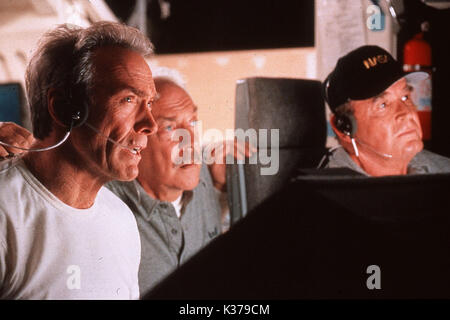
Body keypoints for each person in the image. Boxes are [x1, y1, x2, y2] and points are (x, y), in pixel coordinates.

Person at [0, 74, 252, 296]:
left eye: (194, 123)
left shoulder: (204, 175)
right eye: (169, 127)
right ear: (139, 138)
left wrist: (222, 185)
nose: (190, 140)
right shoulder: (102, 199)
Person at [0, 21, 158, 299]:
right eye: (129, 99)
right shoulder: (6, 211)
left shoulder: (122, 221)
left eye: (150, 104)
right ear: (64, 109)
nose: (150, 124)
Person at [322, 45, 450, 176]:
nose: (406, 113)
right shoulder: (326, 194)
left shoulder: (443, 171)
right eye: (383, 105)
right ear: (343, 128)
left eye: (405, 97)